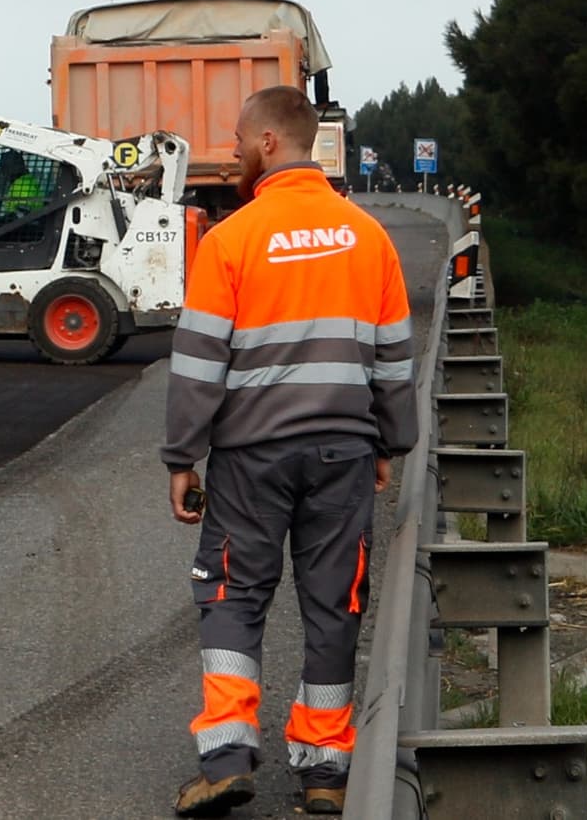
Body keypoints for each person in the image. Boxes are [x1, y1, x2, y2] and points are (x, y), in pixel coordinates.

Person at [161, 84, 419, 817]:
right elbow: (395, 358)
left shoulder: (232, 239)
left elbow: (200, 361)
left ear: (270, 142)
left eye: (241, 140)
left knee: (233, 596)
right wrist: (389, 441)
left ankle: (228, 754)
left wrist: (182, 457)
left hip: (251, 459)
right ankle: (326, 770)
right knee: (335, 604)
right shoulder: (367, 236)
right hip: (343, 452)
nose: (235, 152)